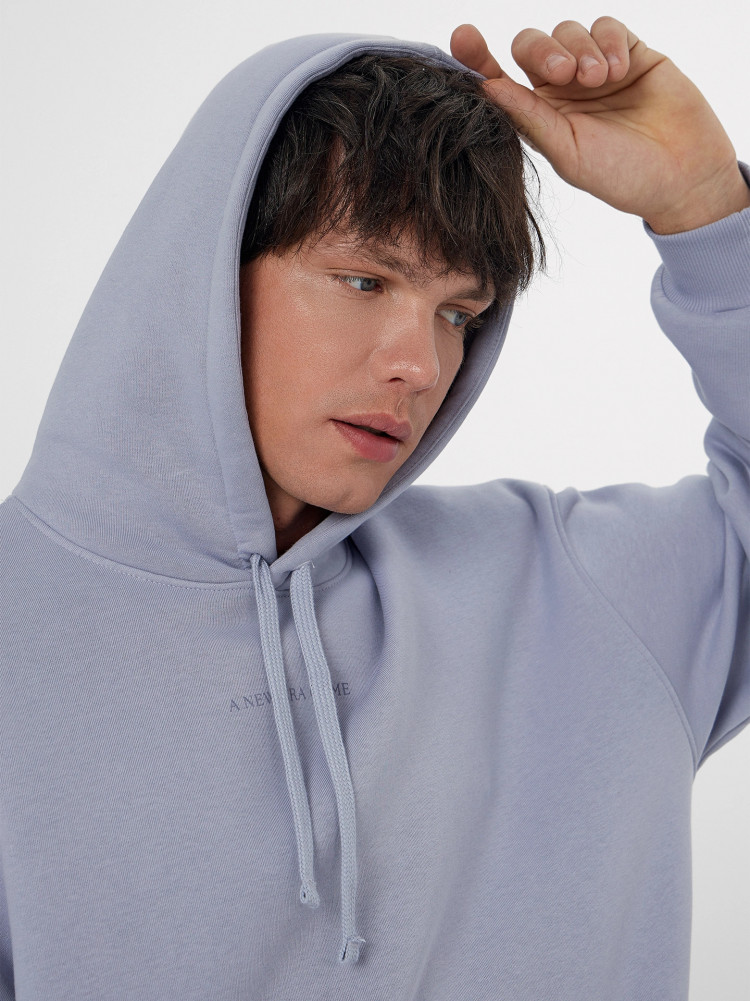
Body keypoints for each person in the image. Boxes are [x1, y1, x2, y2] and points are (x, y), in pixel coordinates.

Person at [0, 14, 748, 1000]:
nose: (421, 365)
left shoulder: (573, 594)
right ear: (207, 273)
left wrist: (708, 211)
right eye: (364, 278)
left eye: (458, 313)